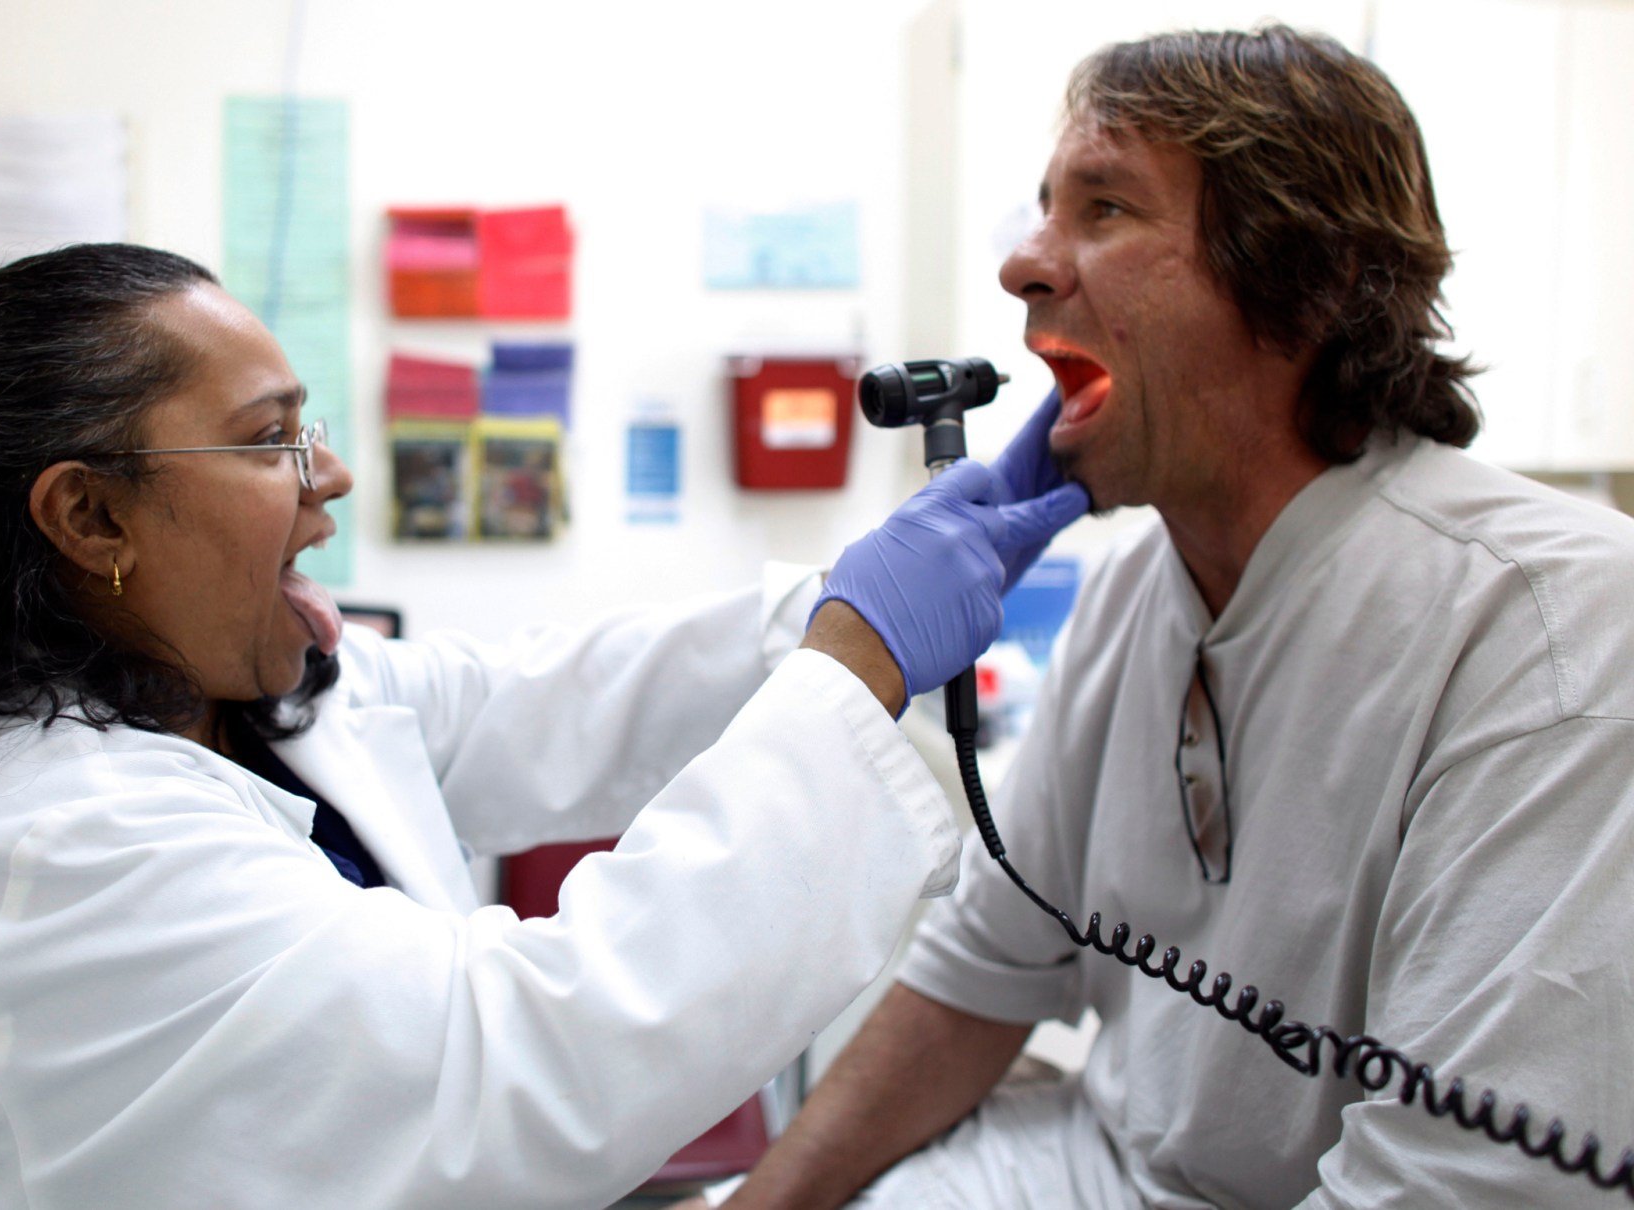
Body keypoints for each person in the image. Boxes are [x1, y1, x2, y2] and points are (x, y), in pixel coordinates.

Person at [0, 243, 1088, 1209]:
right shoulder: (44, 855)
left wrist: (853, 594)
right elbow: (530, 1051)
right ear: (91, 516)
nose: (325, 476)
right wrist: (857, 661)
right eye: (267, 441)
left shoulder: (226, 699)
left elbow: (543, 699)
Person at [693, 25, 1634, 1210]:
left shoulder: (1551, 625)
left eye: (1105, 209)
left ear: (1311, 281)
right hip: (1085, 1163)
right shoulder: (1139, 585)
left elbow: (1459, 1184)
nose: (1023, 264)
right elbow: (978, 976)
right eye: (1044, 208)